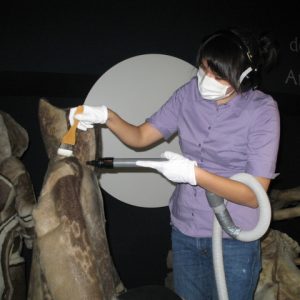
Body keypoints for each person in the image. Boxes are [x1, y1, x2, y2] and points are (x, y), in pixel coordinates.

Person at [69, 27, 280, 300]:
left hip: (234, 239)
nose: (206, 80)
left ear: (243, 78)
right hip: (186, 233)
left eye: (218, 76)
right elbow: (141, 136)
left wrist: (194, 175)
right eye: (204, 69)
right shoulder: (188, 94)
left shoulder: (262, 110)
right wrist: (107, 116)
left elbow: (254, 196)